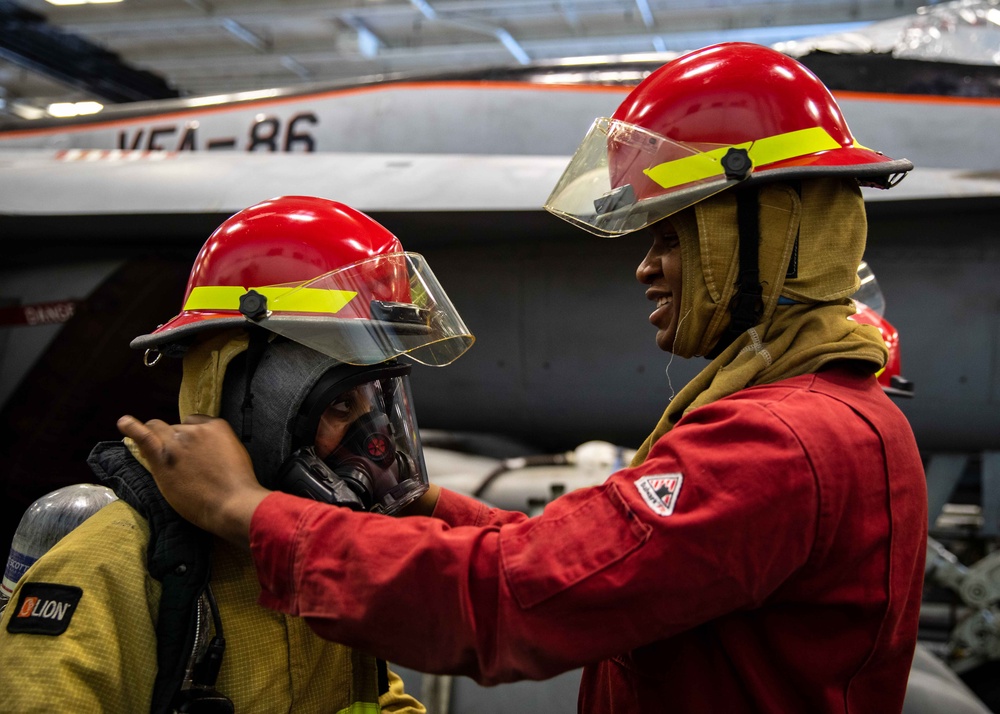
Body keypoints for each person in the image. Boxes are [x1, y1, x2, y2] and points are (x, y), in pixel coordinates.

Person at [118, 43, 928, 713]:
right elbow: (588, 554)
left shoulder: (778, 443)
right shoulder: (826, 412)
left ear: (770, 226)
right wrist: (422, 507)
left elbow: (514, 599)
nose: (648, 268)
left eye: (676, 237)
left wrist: (246, 511)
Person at [0, 195, 474, 713]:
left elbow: (375, 699)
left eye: (377, 405)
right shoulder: (112, 571)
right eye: (342, 403)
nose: (374, 445)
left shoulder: (314, 556)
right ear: (247, 400)